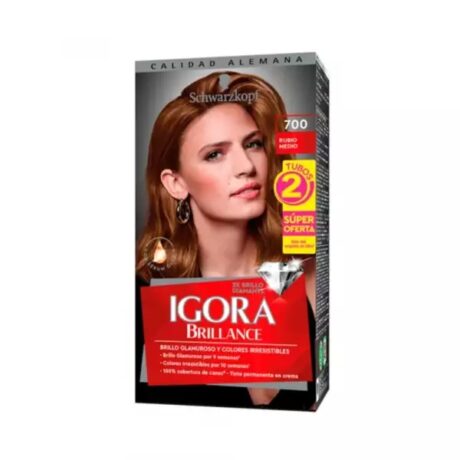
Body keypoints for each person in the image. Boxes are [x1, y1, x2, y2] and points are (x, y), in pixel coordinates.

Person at [136, 71, 316, 409]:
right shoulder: (144, 292)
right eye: (214, 154)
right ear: (176, 183)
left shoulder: (305, 277)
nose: (246, 166)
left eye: (253, 144)